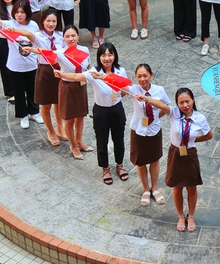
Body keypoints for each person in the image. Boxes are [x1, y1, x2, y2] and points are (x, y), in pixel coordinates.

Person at [136, 88, 213, 233]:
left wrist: (193, 140)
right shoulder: (174, 113)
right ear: (177, 104)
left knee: (192, 187)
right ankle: (180, 216)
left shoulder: (200, 118)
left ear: (193, 100)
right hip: (175, 153)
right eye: (181, 102)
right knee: (177, 187)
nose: (185, 105)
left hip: (190, 153)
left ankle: (191, 215)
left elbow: (209, 135)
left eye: (187, 101)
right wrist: (146, 99)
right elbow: (161, 105)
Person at [55, 43, 128, 184]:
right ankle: (105, 169)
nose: (107, 58)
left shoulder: (120, 71)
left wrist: (119, 91)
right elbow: (76, 76)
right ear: (99, 57)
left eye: (110, 54)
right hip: (101, 111)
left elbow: (125, 90)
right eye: (103, 55)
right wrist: (62, 74)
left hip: (117, 109)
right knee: (102, 140)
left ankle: (120, 166)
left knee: (119, 139)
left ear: (115, 56)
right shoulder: (93, 72)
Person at [0, 0, 41, 129]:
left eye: (22, 12)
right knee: (19, 92)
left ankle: (34, 112)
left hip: (31, 65)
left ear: (27, 13)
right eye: (17, 12)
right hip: (15, 66)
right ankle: (23, 116)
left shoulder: (33, 25)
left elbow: (37, 42)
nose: (19, 15)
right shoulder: (9, 24)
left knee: (32, 91)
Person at [17, 9, 65, 145]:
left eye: (54, 21)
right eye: (48, 20)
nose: (51, 24)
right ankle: (50, 131)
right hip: (45, 72)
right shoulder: (38, 36)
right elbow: (27, 33)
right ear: (43, 21)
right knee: (46, 104)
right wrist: (13, 30)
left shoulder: (60, 35)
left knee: (59, 102)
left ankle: (60, 127)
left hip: (59, 70)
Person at [126, 63, 170, 207]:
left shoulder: (159, 90)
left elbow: (166, 107)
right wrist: (102, 77)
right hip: (138, 129)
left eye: (145, 75)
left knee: (154, 160)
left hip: (153, 129)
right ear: (135, 77)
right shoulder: (134, 89)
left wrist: (156, 117)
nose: (142, 79)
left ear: (151, 75)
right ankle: (146, 189)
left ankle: (154, 188)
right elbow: (119, 87)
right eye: (139, 76)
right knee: (140, 161)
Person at [53, 25, 93, 160]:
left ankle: (79, 141)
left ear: (78, 36)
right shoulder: (60, 52)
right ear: (63, 38)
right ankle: (73, 145)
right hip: (68, 87)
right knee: (70, 119)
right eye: (67, 36)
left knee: (81, 116)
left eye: (73, 35)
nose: (71, 39)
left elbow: (88, 66)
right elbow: (44, 54)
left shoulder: (84, 50)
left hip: (81, 86)